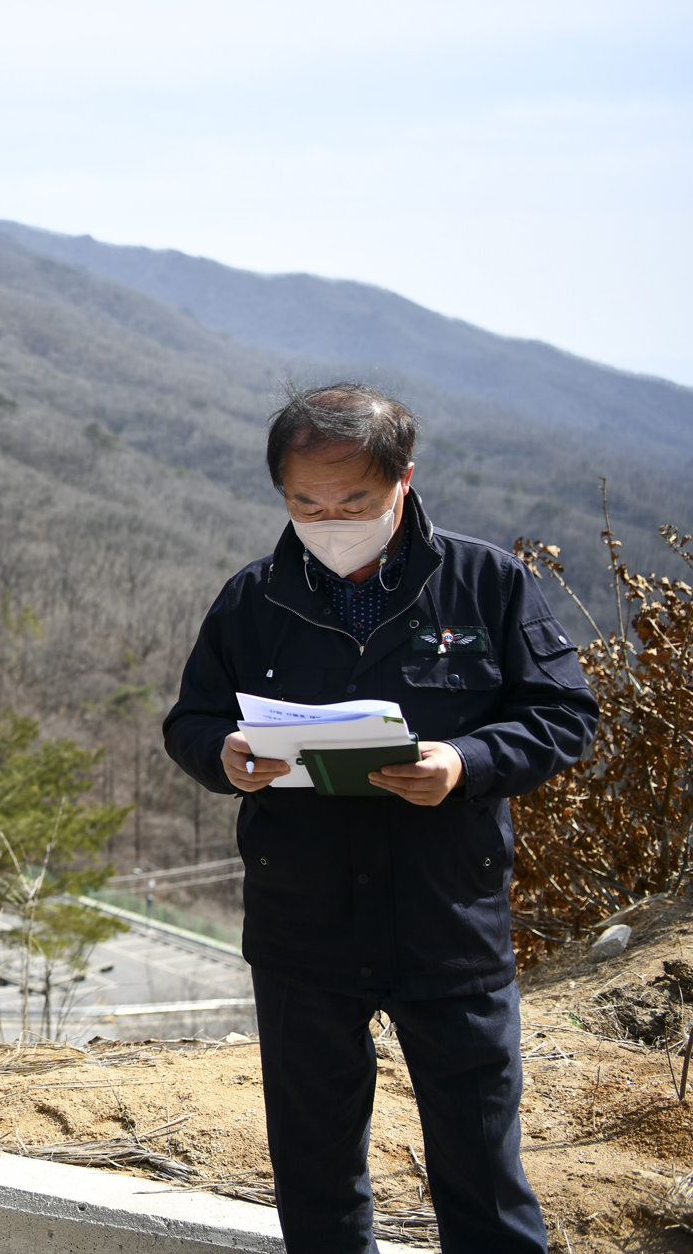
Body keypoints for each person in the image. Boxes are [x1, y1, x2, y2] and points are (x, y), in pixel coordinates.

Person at [162, 382, 597, 1252]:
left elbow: (564, 714)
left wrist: (465, 762)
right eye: (304, 502)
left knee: (482, 1171)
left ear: (404, 479)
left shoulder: (488, 585)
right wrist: (225, 756)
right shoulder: (254, 599)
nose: (328, 520)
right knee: (316, 1176)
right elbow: (191, 720)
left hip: (449, 921)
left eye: (353, 500)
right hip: (302, 924)